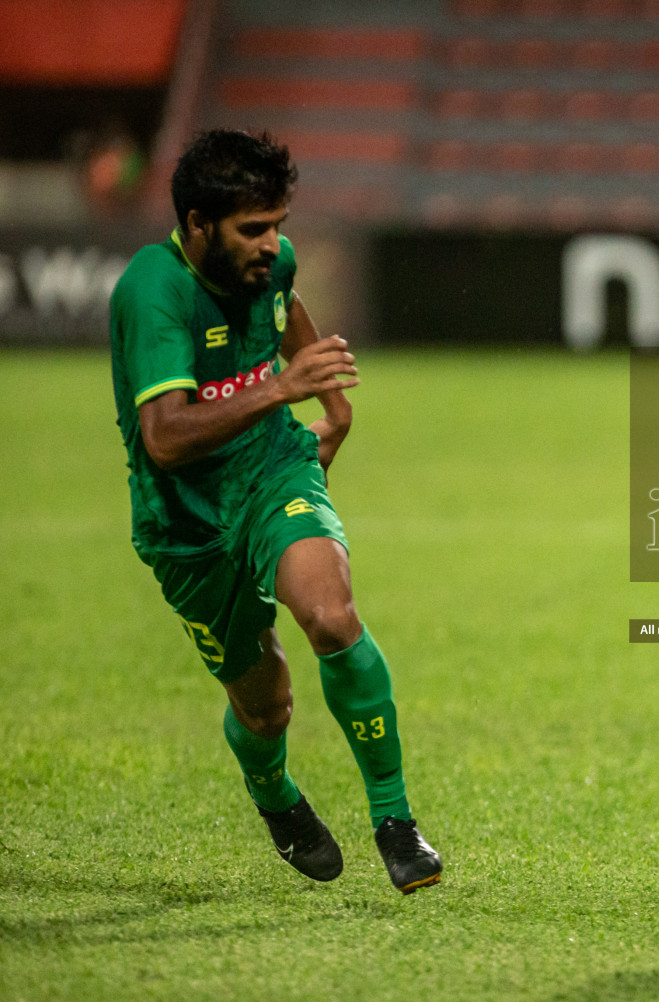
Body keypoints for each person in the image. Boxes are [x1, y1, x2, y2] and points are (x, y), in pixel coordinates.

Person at [109, 129, 442, 894]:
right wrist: (283, 388)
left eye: (279, 224)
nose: (272, 244)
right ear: (197, 224)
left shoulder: (274, 264)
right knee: (266, 708)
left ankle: (395, 820)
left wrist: (332, 404)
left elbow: (286, 307)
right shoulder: (152, 290)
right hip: (184, 524)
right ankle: (277, 800)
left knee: (330, 616)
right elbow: (164, 438)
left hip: (271, 469)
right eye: (252, 230)